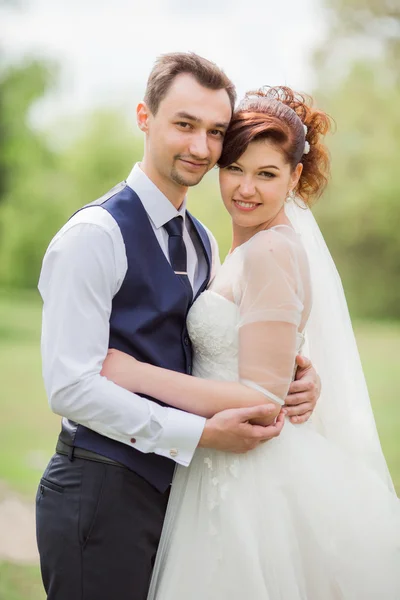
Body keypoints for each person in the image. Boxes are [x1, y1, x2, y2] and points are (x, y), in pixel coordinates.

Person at [35, 54, 320, 600]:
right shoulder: (94, 236)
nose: (199, 147)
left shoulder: (203, 241)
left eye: (215, 132)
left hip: (181, 495)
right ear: (145, 116)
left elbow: (224, 343)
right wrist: (200, 435)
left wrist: (298, 377)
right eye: (184, 124)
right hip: (100, 489)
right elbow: (69, 386)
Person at [102, 86, 400, 599]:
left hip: (248, 478)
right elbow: (262, 362)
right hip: (218, 462)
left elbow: (261, 398)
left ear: (295, 177)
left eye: (267, 174)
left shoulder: (270, 252)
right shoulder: (242, 247)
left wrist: (131, 373)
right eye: (235, 168)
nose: (245, 188)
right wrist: (300, 373)